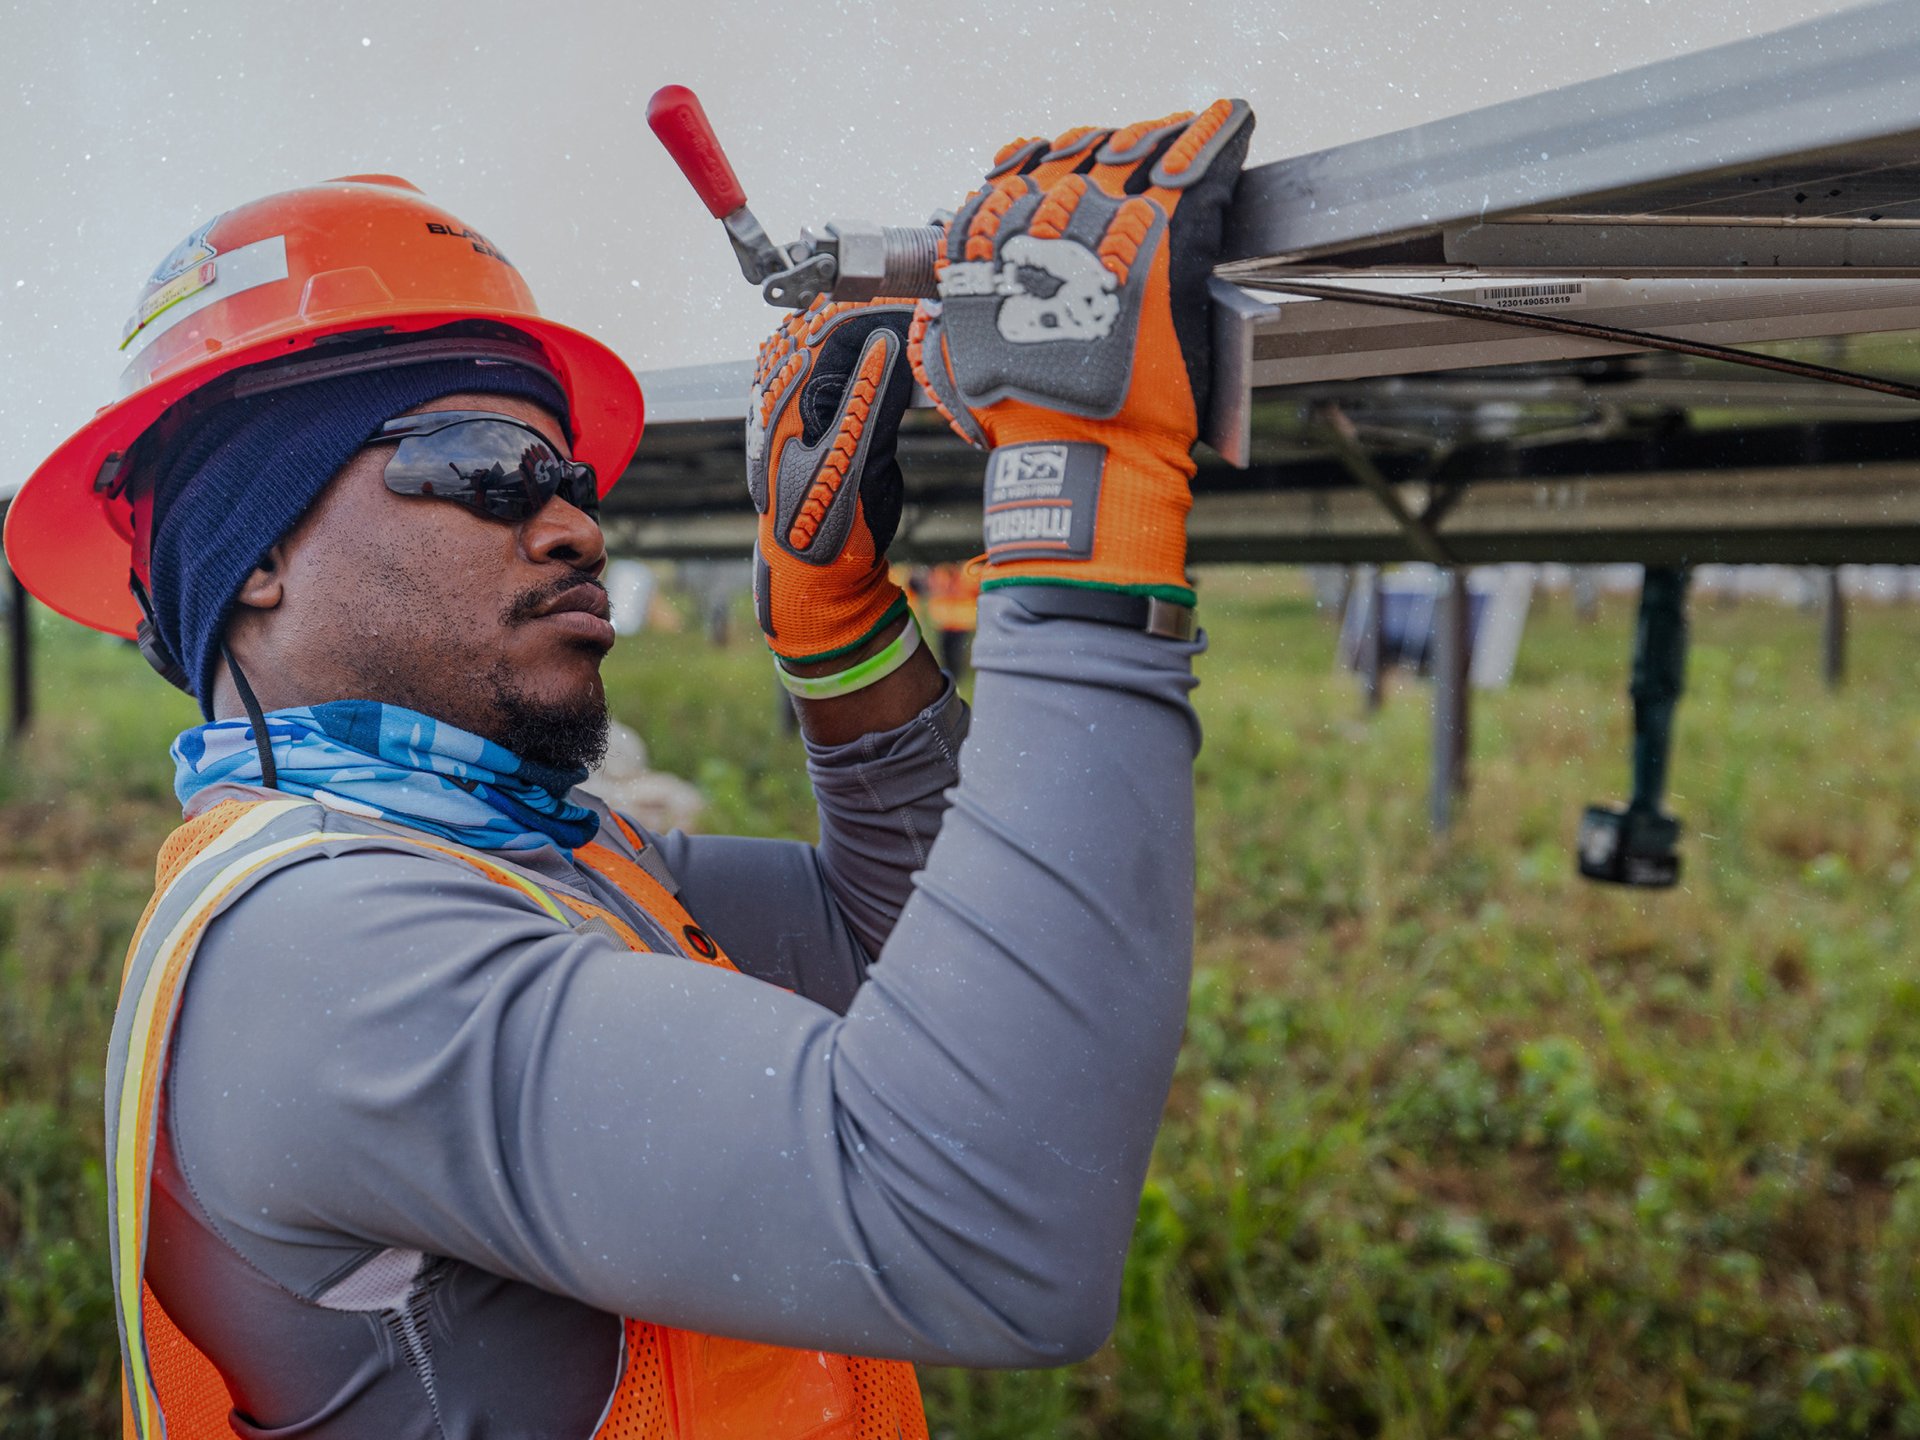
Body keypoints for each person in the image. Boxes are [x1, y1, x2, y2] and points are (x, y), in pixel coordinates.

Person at [7, 100, 1252, 1439]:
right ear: (248, 554)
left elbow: (899, 955)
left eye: (571, 477)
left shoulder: (528, 857)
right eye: (485, 468)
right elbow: (987, 1232)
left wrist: (838, 644)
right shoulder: (328, 953)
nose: (570, 526)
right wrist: (1083, 502)